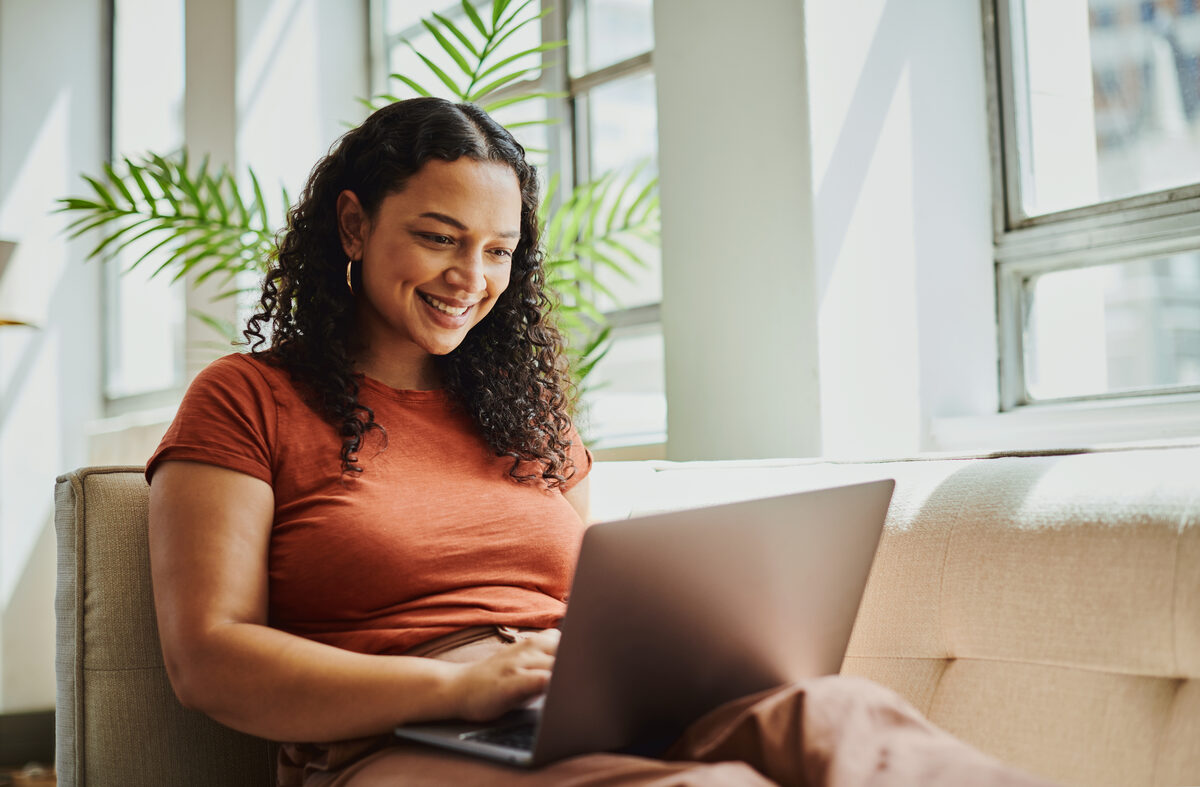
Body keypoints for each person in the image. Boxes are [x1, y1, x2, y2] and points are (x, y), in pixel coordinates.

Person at [146, 97, 1057, 787]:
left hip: (563, 704)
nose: (471, 277)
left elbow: (593, 606)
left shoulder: (526, 415)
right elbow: (209, 658)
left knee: (850, 717)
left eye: (499, 250)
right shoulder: (247, 400)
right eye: (438, 238)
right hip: (393, 744)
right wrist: (458, 689)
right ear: (354, 224)